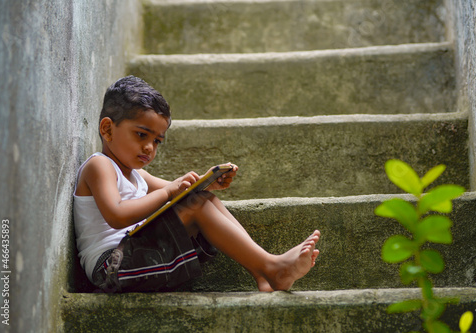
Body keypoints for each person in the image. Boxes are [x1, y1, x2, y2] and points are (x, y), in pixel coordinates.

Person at [73, 75, 320, 293]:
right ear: (107, 129)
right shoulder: (100, 166)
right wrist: (171, 191)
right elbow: (117, 215)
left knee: (203, 199)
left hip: (133, 257)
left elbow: (181, 193)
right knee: (196, 205)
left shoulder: (138, 176)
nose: (149, 147)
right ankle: (272, 268)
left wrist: (205, 185)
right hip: (110, 267)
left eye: (157, 141)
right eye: (141, 135)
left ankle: (262, 272)